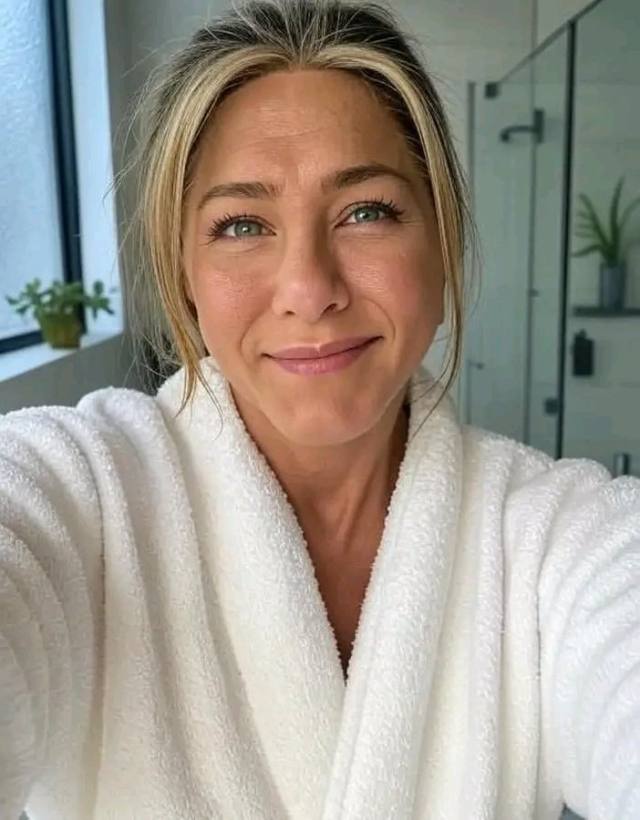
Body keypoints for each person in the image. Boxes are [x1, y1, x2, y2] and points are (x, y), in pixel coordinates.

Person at [1, 1, 638, 818]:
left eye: (366, 212)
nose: (308, 288)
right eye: (241, 225)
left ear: (442, 245)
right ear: (184, 272)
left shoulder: (557, 538)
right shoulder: (80, 493)